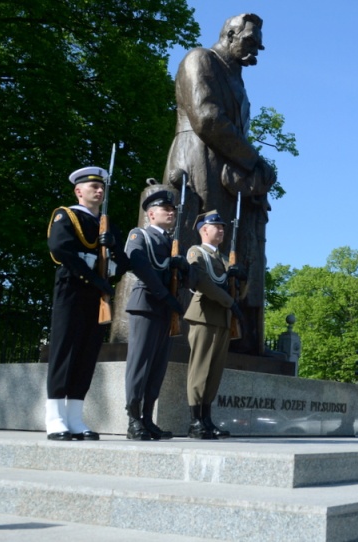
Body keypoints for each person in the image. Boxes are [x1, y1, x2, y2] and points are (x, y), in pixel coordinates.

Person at [163, 13, 275, 355]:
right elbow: (207, 118)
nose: (255, 51)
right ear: (229, 34)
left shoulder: (238, 79)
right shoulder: (200, 60)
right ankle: (179, 329)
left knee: (228, 253)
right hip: (197, 160)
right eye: (249, 42)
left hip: (227, 172)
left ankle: (228, 333)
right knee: (191, 243)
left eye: (258, 44)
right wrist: (254, 160)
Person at [45, 166, 130, 441]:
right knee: (65, 351)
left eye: (101, 186)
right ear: (78, 191)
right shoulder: (66, 215)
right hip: (73, 289)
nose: (99, 190)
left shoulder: (107, 225)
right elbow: (60, 249)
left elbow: (123, 263)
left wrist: (113, 246)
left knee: (86, 354)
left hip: (96, 296)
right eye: (93, 186)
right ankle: (55, 418)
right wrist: (94, 277)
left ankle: (75, 418)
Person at [122, 190, 190, 440]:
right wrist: (164, 294)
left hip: (165, 308)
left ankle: (148, 418)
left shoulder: (172, 244)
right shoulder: (139, 234)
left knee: (157, 367)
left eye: (172, 209)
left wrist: (183, 269)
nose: (171, 212)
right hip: (147, 303)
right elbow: (138, 264)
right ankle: (133, 419)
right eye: (166, 209)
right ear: (151, 214)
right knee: (139, 364)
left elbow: (184, 280)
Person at [184, 211, 245, 440]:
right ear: (203, 230)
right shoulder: (195, 252)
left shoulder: (223, 259)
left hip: (222, 318)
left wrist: (241, 279)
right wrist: (230, 302)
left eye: (222, 226)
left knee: (214, 372)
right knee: (199, 370)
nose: (221, 230)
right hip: (203, 315)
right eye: (216, 226)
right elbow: (202, 282)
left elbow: (234, 292)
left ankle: (207, 419)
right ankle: (195, 421)